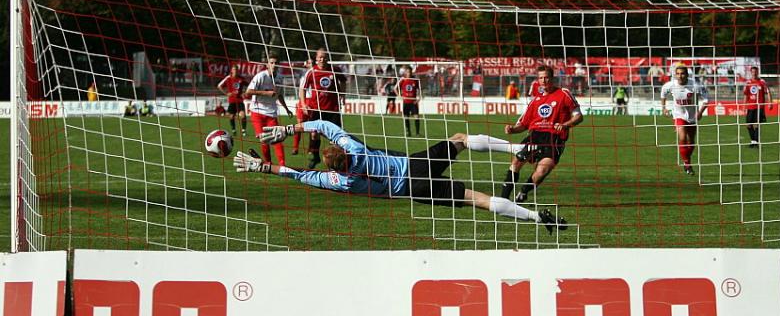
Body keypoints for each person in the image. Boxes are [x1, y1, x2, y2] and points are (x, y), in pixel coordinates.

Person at [240, 120, 568, 234]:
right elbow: (326, 127)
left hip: (412, 189)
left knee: (476, 200)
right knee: (460, 140)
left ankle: (538, 218)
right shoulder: (353, 147)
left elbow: (299, 174)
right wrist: (289, 129)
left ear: (331, 167)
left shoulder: (340, 181)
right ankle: (517, 147)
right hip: (415, 165)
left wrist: (263, 167)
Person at [500, 65, 584, 202]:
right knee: (516, 162)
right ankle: (503, 199)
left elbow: (579, 117)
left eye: (546, 77)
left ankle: (523, 191)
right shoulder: (535, 100)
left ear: (552, 78)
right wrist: (512, 129)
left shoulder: (564, 93)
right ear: (537, 80)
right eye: (540, 78)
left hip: (554, 139)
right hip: (535, 136)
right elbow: (523, 124)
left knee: (542, 171)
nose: (543, 80)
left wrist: (564, 125)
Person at [300, 48, 347, 168]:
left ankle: (338, 163)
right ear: (316, 58)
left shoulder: (335, 70)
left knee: (336, 138)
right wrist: (304, 104)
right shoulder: (311, 72)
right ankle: (315, 158)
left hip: (332, 109)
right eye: (320, 57)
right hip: (316, 109)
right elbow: (302, 89)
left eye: (325, 57)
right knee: (314, 134)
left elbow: (343, 81)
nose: (322, 59)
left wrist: (342, 94)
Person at [660, 64, 708, 175]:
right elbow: (663, 94)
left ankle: (687, 161)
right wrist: (664, 109)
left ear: (687, 75)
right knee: (682, 137)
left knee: (691, 141)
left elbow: (706, 99)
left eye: (682, 73)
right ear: (675, 75)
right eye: (677, 74)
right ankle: (687, 164)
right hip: (678, 115)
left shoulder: (695, 85)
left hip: (692, 117)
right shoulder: (670, 85)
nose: (680, 76)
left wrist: (700, 112)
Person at [244, 56, 293, 166]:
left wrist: (287, 109)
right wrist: (266, 93)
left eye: (276, 63)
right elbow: (248, 91)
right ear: (267, 65)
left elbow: (279, 95)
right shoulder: (260, 76)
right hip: (257, 112)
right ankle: (269, 163)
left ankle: (282, 164)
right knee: (264, 139)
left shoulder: (280, 78)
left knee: (277, 138)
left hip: (271, 113)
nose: (274, 65)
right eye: (271, 63)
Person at [742, 66, 773, 148]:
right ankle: (753, 141)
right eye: (752, 72)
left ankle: (755, 143)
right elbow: (745, 95)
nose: (754, 73)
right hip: (750, 106)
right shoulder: (748, 83)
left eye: (755, 72)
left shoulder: (762, 82)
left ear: (757, 72)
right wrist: (744, 106)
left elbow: (768, 92)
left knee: (756, 124)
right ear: (750, 72)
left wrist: (770, 102)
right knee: (748, 125)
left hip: (759, 106)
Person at [217, 64, 248, 136]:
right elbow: (219, 86)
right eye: (234, 70)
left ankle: (244, 131)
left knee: (242, 115)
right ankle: (233, 130)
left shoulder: (241, 79)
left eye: (236, 70)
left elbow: (249, 85)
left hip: (240, 100)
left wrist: (245, 93)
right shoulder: (228, 79)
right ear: (231, 70)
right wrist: (227, 93)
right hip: (232, 101)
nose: (235, 71)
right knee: (231, 116)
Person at [292, 59, 314, 156]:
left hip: (312, 101)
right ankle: (295, 148)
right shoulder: (303, 72)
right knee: (299, 125)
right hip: (302, 101)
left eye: (311, 62)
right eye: (308, 62)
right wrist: (303, 63)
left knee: (312, 127)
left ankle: (311, 148)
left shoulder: (315, 73)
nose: (310, 64)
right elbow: (292, 66)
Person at [396, 67, 422, 136]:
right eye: (407, 72)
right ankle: (408, 132)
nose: (409, 73)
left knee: (416, 117)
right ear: (405, 73)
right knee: (406, 117)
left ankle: (417, 133)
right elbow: (395, 88)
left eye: (410, 72)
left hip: (413, 102)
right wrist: (399, 96)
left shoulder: (415, 80)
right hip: (406, 102)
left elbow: (419, 90)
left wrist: (418, 98)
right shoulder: (403, 80)